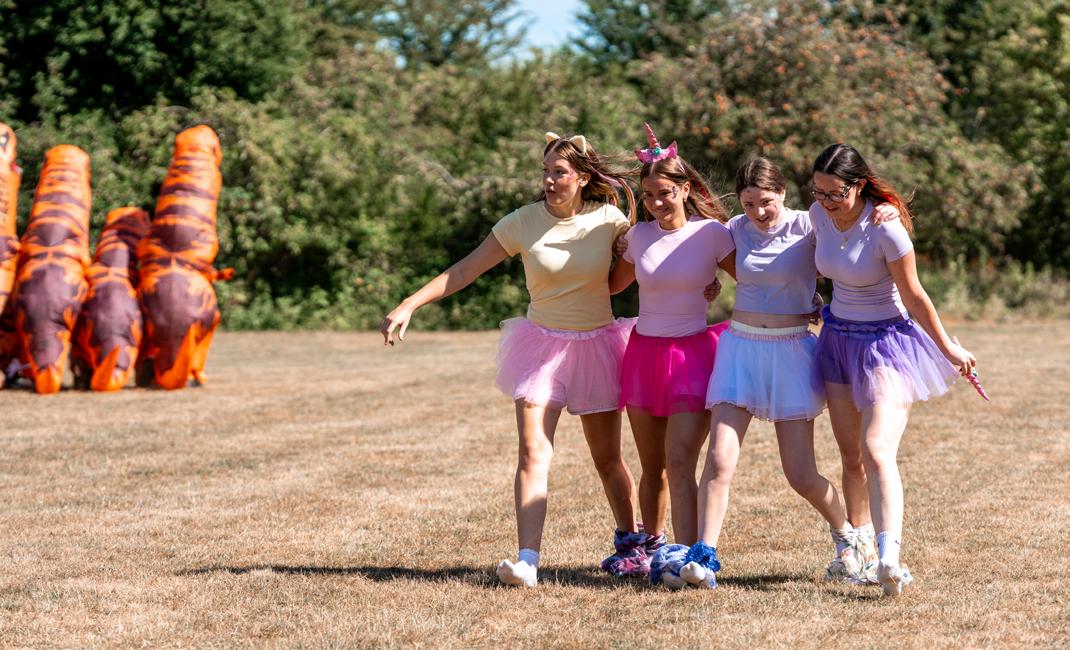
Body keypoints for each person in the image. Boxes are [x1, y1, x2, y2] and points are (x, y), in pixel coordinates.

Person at [380, 132, 641, 588]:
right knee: (531, 452)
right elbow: (466, 268)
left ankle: (632, 545)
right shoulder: (522, 221)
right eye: (545, 172)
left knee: (607, 458)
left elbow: (619, 282)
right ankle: (527, 561)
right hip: (540, 347)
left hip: (595, 345)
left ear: (582, 178)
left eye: (559, 172)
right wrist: (409, 303)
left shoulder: (609, 220)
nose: (549, 180)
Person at [682, 158, 900, 590]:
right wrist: (709, 284)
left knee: (800, 474)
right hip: (740, 349)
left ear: (782, 193)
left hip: (790, 351)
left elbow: (853, 227)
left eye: (766, 201)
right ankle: (704, 557)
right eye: (748, 204)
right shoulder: (734, 230)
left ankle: (847, 535)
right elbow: (693, 244)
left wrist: (886, 208)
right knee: (719, 459)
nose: (758, 212)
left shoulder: (810, 223)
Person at [808, 143, 976, 597]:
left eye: (835, 193)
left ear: (859, 185)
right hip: (837, 341)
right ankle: (861, 550)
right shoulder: (818, 214)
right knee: (850, 457)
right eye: (818, 191)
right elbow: (794, 246)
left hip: (886, 343)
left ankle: (890, 558)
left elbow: (916, 295)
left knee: (876, 448)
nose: (826, 201)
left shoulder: (887, 229)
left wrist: (947, 347)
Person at [606, 125, 735, 579]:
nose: (656, 202)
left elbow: (754, 277)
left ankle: (692, 557)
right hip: (644, 356)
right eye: (648, 195)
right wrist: (602, 248)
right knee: (653, 466)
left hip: (691, 357)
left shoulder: (712, 234)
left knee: (681, 461)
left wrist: (802, 300)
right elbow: (609, 287)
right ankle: (650, 547)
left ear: (685, 190)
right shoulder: (637, 237)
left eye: (665, 193)